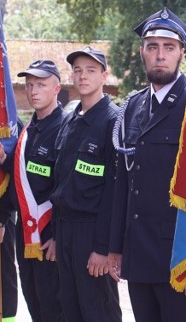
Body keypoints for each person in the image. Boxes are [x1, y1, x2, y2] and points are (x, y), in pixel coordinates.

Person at [109, 7, 186, 321]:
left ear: (181, 53)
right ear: (142, 52)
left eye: (168, 48)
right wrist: (116, 246)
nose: (160, 55)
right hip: (139, 254)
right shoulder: (132, 106)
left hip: (181, 255)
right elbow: (124, 183)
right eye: (152, 47)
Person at [0, 59, 65, 322]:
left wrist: (56, 236)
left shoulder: (65, 127)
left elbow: (65, 187)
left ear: (57, 88)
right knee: (34, 302)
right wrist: (3, 160)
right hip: (26, 232)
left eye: (41, 85)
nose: (33, 91)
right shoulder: (29, 129)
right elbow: (25, 175)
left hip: (50, 234)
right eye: (30, 85)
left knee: (54, 305)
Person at [51, 47, 122, 321]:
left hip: (92, 232)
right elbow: (62, 180)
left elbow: (114, 192)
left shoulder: (113, 122)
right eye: (78, 70)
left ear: (104, 76)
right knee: (71, 308)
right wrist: (57, 237)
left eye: (91, 70)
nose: (83, 76)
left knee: (98, 310)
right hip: (65, 230)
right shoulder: (70, 120)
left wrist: (104, 248)